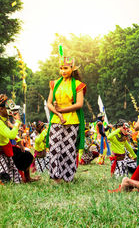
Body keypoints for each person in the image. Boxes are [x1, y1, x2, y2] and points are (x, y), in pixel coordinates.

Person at [46, 51, 86, 183]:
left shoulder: (78, 85)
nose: (63, 71)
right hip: (56, 120)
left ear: (72, 68)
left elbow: (79, 104)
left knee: (68, 150)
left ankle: (68, 177)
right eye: (61, 68)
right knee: (53, 148)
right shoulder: (54, 83)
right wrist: (57, 113)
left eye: (66, 68)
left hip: (72, 120)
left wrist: (62, 110)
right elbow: (49, 103)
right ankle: (56, 177)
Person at [0, 94, 36, 184]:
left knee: (27, 156)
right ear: (1, 109)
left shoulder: (5, 119)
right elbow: (11, 135)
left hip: (6, 151)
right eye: (9, 108)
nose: (13, 111)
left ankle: (28, 178)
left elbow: (13, 135)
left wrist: (19, 141)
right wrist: (17, 121)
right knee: (5, 180)